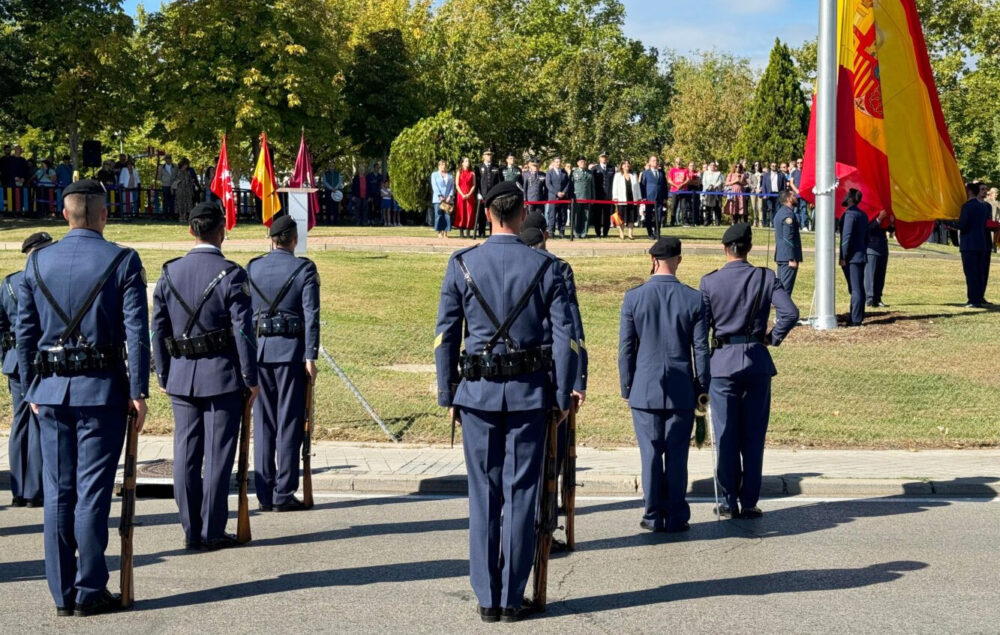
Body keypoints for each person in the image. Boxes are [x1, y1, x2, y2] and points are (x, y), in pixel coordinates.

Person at [434, 181, 577, 623]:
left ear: (487, 213)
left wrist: (448, 393)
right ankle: (512, 597)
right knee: (520, 495)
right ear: (521, 214)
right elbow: (565, 340)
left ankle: (487, 597)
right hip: (530, 395)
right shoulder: (547, 267)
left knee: (484, 496)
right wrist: (561, 396)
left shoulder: (462, 264)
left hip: (476, 396)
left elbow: (445, 336)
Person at [16, 180, 149, 616]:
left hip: (50, 392)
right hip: (102, 392)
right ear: (104, 214)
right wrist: (139, 392)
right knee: (92, 493)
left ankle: (62, 594)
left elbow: (25, 334)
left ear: (65, 214)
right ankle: (90, 590)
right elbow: (136, 333)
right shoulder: (122, 260)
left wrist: (32, 385)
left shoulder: (37, 263)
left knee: (58, 493)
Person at [151, 201, 259, 551]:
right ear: (222, 231)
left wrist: (163, 373)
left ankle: (190, 527)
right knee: (217, 455)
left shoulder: (169, 273)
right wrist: (250, 376)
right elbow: (244, 332)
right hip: (223, 375)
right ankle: (212, 529)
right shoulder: (232, 274)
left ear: (190, 231)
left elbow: (158, 329)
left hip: (181, 375)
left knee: (185, 453)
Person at [699, 223, 798, 519]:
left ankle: (729, 499)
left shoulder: (709, 282)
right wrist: (773, 337)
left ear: (724, 248)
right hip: (756, 360)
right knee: (754, 435)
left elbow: (701, 330)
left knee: (727, 433)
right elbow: (790, 313)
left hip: (722, 362)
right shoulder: (766, 277)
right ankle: (750, 500)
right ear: (750, 248)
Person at [619, 236, 710, 533]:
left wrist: (627, 386)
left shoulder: (634, 297)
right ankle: (676, 513)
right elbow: (701, 349)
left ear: (652, 260)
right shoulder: (693, 298)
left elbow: (626, 349)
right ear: (679, 260)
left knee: (650, 454)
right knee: (677, 454)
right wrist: (702, 387)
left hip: (644, 387)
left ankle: (653, 512)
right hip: (681, 387)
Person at [246, 215, 320, 513]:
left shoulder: (253, 267)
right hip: (291, 354)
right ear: (294, 240)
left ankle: (264, 492)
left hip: (260, 353)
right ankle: (283, 493)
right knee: (289, 422)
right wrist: (311, 356)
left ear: (271, 239)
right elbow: (311, 315)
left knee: (264, 424)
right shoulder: (304, 268)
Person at [3, 232, 53, 508]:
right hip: (41, 361)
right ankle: (35, 490)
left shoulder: (8, 282)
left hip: (15, 362)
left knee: (20, 424)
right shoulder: (45, 280)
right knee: (40, 423)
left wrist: (7, 357)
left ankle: (19, 489)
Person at [947, 182, 990, 308]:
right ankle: (978, 297)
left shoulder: (967, 206)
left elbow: (962, 225)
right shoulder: (983, 207)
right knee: (978, 273)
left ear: (970, 191)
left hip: (969, 244)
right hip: (981, 243)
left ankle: (973, 300)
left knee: (971, 273)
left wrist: (948, 221)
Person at [840, 189, 869, 325]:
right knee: (858, 287)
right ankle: (856, 315)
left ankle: (856, 319)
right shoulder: (863, 215)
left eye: (846, 195)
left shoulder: (850, 215)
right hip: (861, 254)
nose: (844, 197)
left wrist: (843, 255)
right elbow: (866, 237)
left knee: (855, 288)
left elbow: (846, 238)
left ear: (850, 199)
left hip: (851, 257)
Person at [773, 190, 803, 296]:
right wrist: (792, 258)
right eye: (794, 196)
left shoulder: (780, 212)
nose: (796, 197)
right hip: (787, 258)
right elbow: (788, 238)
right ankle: (783, 313)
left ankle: (781, 313)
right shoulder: (788, 215)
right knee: (785, 292)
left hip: (782, 256)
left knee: (781, 290)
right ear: (788, 199)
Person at [865, 210, 891, 308]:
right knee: (870, 275)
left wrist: (891, 223)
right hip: (872, 247)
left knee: (881, 275)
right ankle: (869, 298)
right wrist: (879, 219)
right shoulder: (869, 213)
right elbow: (868, 229)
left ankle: (877, 298)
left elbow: (889, 229)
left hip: (883, 247)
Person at [475, 151, 502, 238]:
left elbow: (498, 182)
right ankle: (481, 232)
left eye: (490, 155)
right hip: (483, 194)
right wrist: (478, 193)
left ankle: (492, 232)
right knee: (482, 214)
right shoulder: (478, 167)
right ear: (483, 156)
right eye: (487, 155)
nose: (489, 156)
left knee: (492, 214)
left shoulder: (496, 167)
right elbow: (477, 182)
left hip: (493, 194)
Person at [613, 159, 640, 240]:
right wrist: (615, 197)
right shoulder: (618, 175)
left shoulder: (634, 174)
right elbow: (615, 187)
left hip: (632, 199)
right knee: (621, 217)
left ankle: (630, 234)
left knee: (631, 217)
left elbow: (637, 187)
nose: (626, 165)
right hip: (622, 199)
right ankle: (621, 233)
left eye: (628, 164)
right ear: (621, 166)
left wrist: (639, 197)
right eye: (624, 164)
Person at [641, 156, 667, 238]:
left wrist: (665, 197)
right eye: (653, 160)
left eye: (656, 160)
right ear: (650, 162)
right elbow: (642, 186)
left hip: (659, 197)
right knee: (648, 216)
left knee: (659, 216)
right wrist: (644, 197)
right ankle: (650, 233)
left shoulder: (662, 173)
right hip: (649, 198)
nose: (655, 162)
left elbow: (665, 186)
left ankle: (657, 232)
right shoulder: (645, 173)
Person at [545, 156, 571, 238]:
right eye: (556, 162)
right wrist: (557, 193)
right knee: (552, 215)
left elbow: (568, 184)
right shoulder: (549, 172)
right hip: (553, 197)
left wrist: (563, 192)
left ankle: (561, 231)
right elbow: (548, 184)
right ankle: (551, 232)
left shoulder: (564, 172)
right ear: (553, 163)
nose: (558, 163)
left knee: (562, 215)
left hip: (563, 197)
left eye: (559, 162)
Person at [591, 152, 615, 238]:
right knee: (597, 214)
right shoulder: (594, 169)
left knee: (607, 215)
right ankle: (597, 232)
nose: (604, 159)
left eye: (605, 157)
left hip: (608, 195)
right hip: (597, 195)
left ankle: (605, 232)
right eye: (602, 157)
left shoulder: (612, 168)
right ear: (599, 159)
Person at [571, 156, 594, 239]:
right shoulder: (574, 172)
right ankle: (576, 232)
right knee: (577, 216)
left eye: (584, 162)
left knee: (586, 216)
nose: (583, 163)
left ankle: (584, 232)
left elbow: (592, 187)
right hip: (577, 197)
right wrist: (571, 197)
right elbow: (571, 186)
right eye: (581, 162)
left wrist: (593, 198)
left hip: (587, 197)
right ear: (577, 163)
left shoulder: (590, 173)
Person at [431, 160, 455, 239]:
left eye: (444, 165)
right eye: (441, 165)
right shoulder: (434, 175)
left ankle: (445, 232)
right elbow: (434, 186)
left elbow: (452, 187)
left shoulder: (450, 175)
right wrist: (440, 196)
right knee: (439, 215)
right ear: (438, 166)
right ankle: (439, 232)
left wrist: (450, 196)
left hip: (448, 199)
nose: (443, 166)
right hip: (438, 199)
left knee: (447, 215)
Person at [455, 157, 476, 238]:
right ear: (462, 163)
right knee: (461, 212)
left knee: (469, 212)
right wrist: (462, 194)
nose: (468, 162)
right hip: (461, 195)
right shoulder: (459, 172)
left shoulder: (472, 173)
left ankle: (468, 232)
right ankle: (461, 232)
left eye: (468, 161)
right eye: (466, 161)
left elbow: (474, 185)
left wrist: (469, 194)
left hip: (469, 195)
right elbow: (457, 185)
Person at [172, 157, 199, 222]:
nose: (186, 166)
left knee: (187, 203)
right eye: (185, 164)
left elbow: (191, 180)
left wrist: (195, 185)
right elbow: (173, 180)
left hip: (188, 190)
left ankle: (185, 216)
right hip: (180, 189)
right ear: (182, 164)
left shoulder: (188, 172)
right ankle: (180, 217)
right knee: (180, 203)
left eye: (187, 164)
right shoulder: (177, 171)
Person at [760, 162, 786, 227]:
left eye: (775, 166)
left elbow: (784, 186)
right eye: (772, 166)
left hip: (778, 194)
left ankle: (776, 223)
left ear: (777, 167)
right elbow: (764, 185)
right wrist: (764, 194)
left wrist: (783, 195)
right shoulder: (766, 175)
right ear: (770, 166)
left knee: (777, 209)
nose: (774, 167)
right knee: (770, 209)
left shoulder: (781, 175)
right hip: (769, 194)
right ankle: (772, 222)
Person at [667, 158, 690, 227]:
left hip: (683, 191)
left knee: (684, 207)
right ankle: (672, 222)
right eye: (677, 162)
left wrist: (682, 185)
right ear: (675, 162)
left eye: (680, 162)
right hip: (674, 191)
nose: (678, 163)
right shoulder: (672, 170)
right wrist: (676, 185)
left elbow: (688, 179)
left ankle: (685, 222)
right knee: (673, 206)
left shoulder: (685, 170)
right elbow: (669, 180)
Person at [701, 162, 724, 227]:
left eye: (713, 165)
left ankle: (717, 222)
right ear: (709, 166)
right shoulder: (706, 173)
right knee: (707, 207)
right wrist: (708, 186)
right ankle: (707, 221)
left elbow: (720, 181)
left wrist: (714, 186)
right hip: (707, 191)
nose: (712, 166)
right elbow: (703, 182)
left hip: (715, 191)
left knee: (717, 207)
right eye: (711, 165)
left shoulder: (718, 173)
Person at [366, 162, 385, 227]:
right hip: (371, 195)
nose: (377, 169)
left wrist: (382, 194)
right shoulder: (369, 176)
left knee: (377, 208)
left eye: (378, 168)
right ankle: (369, 220)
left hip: (378, 195)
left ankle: (375, 220)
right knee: (370, 208)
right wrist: (368, 196)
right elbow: (367, 187)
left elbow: (382, 185)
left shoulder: (380, 176)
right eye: (376, 167)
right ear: (374, 168)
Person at [748, 161, 763, 226]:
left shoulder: (762, 174)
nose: (757, 166)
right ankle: (755, 220)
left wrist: (760, 189)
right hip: (753, 192)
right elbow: (749, 183)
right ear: (753, 166)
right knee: (753, 207)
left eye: (758, 165)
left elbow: (764, 183)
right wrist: (755, 188)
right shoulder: (751, 174)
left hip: (760, 192)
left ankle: (760, 221)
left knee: (760, 207)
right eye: (756, 165)